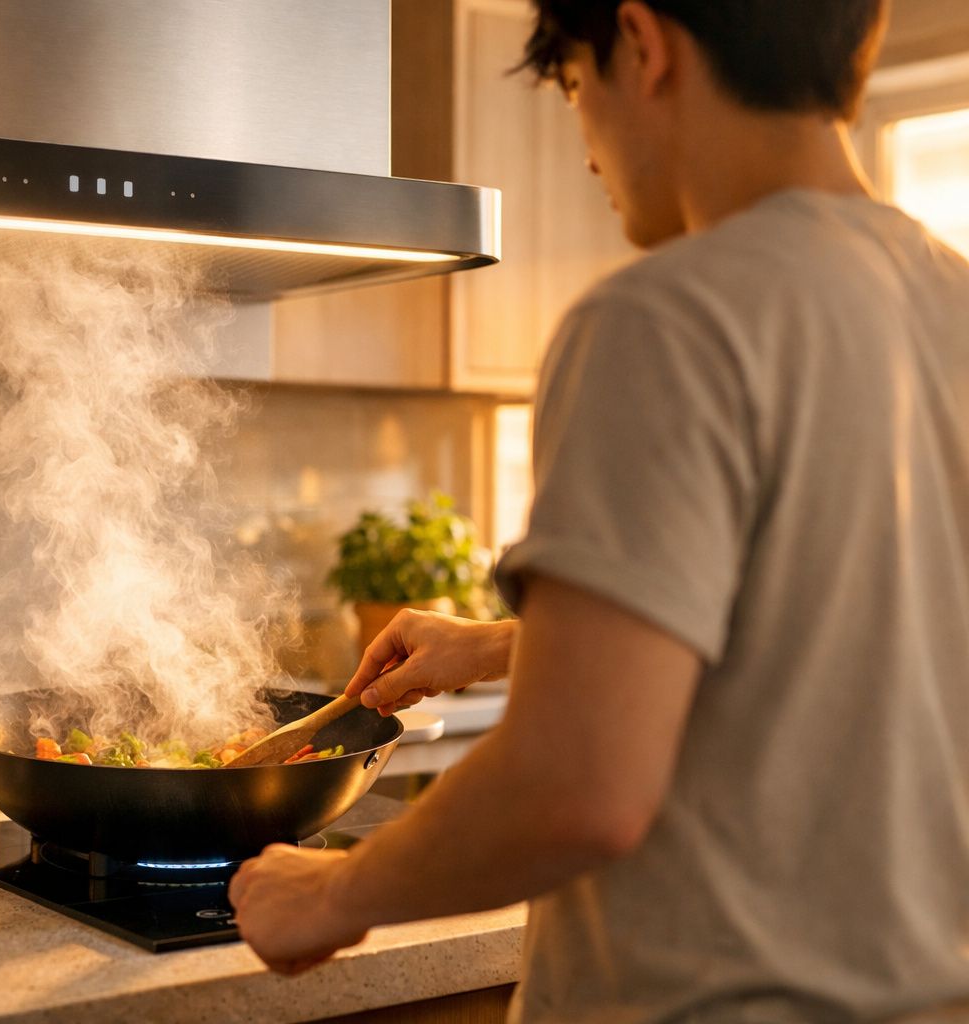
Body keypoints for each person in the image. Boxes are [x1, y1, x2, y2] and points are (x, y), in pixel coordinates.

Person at [227, 1, 969, 1020]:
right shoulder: (951, 304)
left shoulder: (666, 318)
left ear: (643, 44)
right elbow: (833, 648)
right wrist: (497, 646)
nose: (584, 154)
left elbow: (575, 788)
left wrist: (335, 892)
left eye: (576, 89)